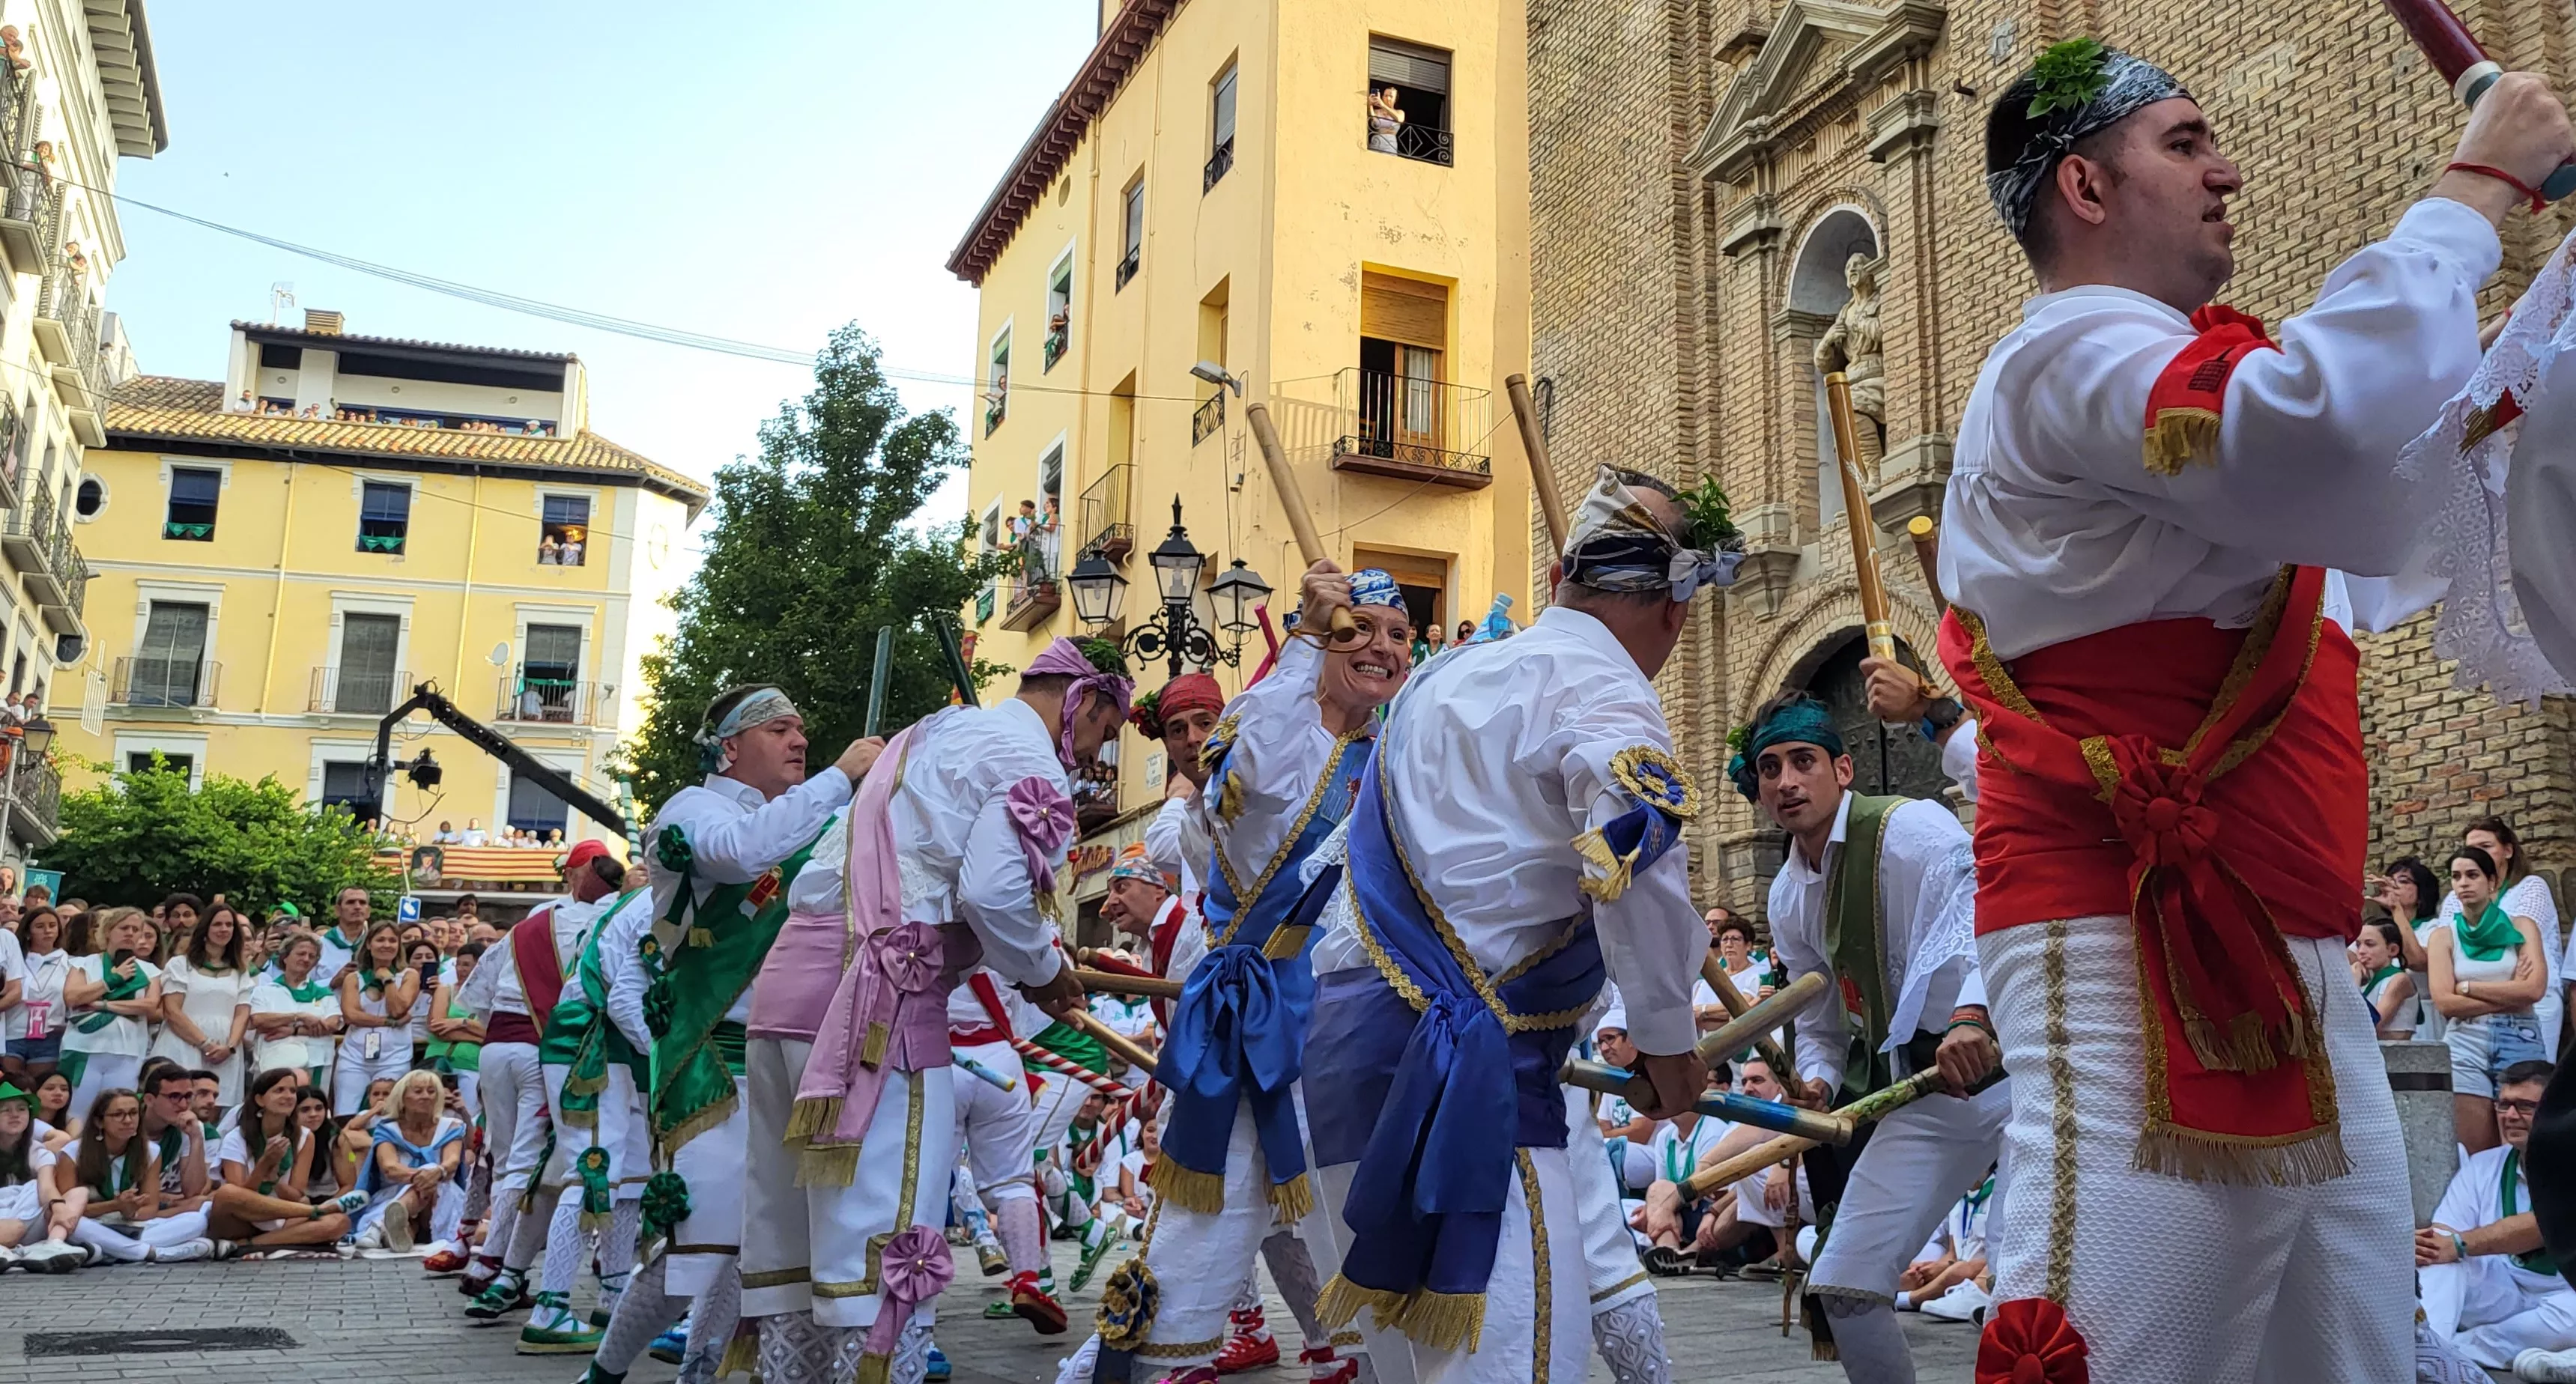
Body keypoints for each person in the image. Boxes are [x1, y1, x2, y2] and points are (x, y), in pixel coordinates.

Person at [1937, 40, 2574, 1382]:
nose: (2226, 170)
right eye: (2182, 143)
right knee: (2105, 1351)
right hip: (2124, 942)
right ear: (2084, 188)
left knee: (2337, 1348)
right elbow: (2314, 435)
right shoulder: (2072, 348)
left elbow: (2375, 511)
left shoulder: (2159, 371)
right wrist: (2468, 190)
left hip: (2277, 948)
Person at [1301, 476, 1737, 1384]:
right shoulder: (1601, 685)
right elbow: (1636, 861)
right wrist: (1666, 1043)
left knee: (1415, 1369)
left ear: (1555, 575)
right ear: (1677, 602)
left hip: (1346, 1064)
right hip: (1473, 1083)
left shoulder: (1439, 678)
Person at [733, 647, 1104, 1384]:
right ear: (1081, 702)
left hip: (785, 997)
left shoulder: (930, 733)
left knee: (795, 1256)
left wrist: (1030, 967)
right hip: (878, 1011)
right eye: (1103, 729)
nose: (1096, 750)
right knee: (882, 1254)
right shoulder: (1029, 762)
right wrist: (1044, 969)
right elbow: (995, 896)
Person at [1088, 564, 1410, 1384]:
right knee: (1203, 1234)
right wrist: (1304, 637)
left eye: (1398, 634)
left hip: (1365, 1036)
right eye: (1357, 630)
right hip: (1264, 1027)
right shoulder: (1272, 738)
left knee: (1374, 1242)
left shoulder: (1391, 750)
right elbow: (1259, 767)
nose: (1379, 647)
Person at [591, 682, 879, 1384]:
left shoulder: (805, 821)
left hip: (794, 1051)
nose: (799, 740)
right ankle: (602, 1374)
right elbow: (745, 854)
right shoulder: (689, 812)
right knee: (709, 1234)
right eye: (780, 729)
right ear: (728, 746)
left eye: (801, 729)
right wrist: (842, 778)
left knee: (766, 1238)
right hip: (708, 1050)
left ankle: (702, 1368)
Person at [1732, 689, 2004, 1379]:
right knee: (1846, 1286)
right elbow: (1822, 1022)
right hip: (1923, 1091)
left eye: (1802, 761)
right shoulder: (1787, 895)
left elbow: (1990, 918)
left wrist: (1972, 1016)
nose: (1786, 782)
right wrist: (1818, 1081)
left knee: (2029, 1285)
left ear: (1843, 770)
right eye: (1769, 769)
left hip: (2017, 1071)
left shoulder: (1911, 830)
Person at [453, 858, 619, 1315]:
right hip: (544, 1051)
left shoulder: (533, 921)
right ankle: (495, 1266)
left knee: (505, 1160)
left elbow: (478, 993)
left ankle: (496, 1266)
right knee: (535, 1162)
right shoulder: (608, 921)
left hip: (494, 1047)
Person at [517, 845, 653, 1355]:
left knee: (631, 1173)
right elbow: (621, 999)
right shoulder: (649, 909)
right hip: (591, 1045)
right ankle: (550, 1307)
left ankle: (614, 1293)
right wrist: (665, 1060)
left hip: (612, 1045)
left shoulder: (630, 905)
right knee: (591, 1168)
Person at [2419, 1062, 2576, 1380]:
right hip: (2500, 1289)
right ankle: (2437, 1351)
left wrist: (2462, 1244)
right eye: (2504, 1104)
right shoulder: (2483, 1165)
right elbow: (2445, 1232)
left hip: (2565, 1296)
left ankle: (2444, 1355)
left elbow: (2540, 1226)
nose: (2510, 1116)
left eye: (2526, 1107)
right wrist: (2443, 1244)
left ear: (2555, 1113)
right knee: (2434, 1251)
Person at [2433, 846, 2551, 1154]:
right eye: (2456, 876)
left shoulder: (2522, 926)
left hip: (2519, 1035)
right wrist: (2511, 989)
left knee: (2527, 1146)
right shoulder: (2442, 936)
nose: (2463, 883)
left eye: (2472, 875)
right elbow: (2445, 1003)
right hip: (2464, 1042)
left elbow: (2535, 990)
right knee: (2475, 1152)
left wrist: (2466, 987)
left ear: (2492, 882)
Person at [207, 1066, 366, 1253]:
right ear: (260, 1100)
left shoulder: (305, 1137)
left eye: (292, 1091)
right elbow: (241, 1198)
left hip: (284, 1216)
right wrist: (263, 1167)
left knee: (340, 1223)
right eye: (279, 1090)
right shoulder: (236, 1138)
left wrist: (275, 1180)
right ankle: (316, 1213)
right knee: (227, 1193)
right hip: (242, 1219)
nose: (289, 1096)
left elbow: (296, 1195)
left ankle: (246, 1245)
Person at [62, 1087, 216, 1263]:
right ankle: (151, 1253)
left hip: (132, 1225)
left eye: (133, 1113)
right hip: (94, 1223)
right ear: (99, 1122)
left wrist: (131, 1212)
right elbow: (66, 1211)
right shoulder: (73, 1153)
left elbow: (151, 1207)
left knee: (195, 1220)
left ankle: (110, 1251)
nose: (128, 1121)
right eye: (118, 1115)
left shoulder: (150, 1151)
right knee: (73, 1226)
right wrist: (115, 1206)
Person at [60, 908, 163, 1117]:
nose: (130, 933)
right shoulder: (83, 964)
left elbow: (150, 1006)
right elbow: (72, 997)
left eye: (136, 929)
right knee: (77, 1115)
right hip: (84, 1049)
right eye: (124, 928)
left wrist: (102, 1004)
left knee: (117, 1114)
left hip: (128, 1052)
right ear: (108, 932)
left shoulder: (149, 970)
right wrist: (112, 980)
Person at [354, 1069, 467, 1257]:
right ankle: (397, 1234)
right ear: (402, 1097)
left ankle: (380, 1226)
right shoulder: (388, 1129)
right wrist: (420, 1176)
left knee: (431, 1170)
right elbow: (390, 1168)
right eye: (418, 1091)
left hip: (443, 1195)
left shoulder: (451, 1126)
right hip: (395, 1193)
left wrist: (435, 1172)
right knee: (408, 1220)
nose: (426, 1096)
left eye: (431, 1091)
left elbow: (452, 1161)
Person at [151, 902, 256, 1104]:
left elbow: (242, 1013)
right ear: (205, 929)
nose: (224, 929)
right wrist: (205, 1043)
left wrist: (230, 1047)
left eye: (229, 925)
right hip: (184, 1044)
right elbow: (172, 1010)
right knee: (179, 1102)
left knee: (217, 1107)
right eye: (217, 924)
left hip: (225, 1051)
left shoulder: (240, 971)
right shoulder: (181, 965)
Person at [333, 922, 420, 1114]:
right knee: (346, 1113)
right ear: (369, 944)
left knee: (390, 1114)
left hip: (394, 1058)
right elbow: (351, 1015)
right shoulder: (354, 978)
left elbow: (397, 1009)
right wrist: (389, 1023)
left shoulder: (409, 975)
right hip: (354, 1058)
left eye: (392, 940)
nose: (386, 945)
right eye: (380, 940)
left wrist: (388, 979)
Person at [0, 1078, 83, 1271]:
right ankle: (18, 1251)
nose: (15, 1115)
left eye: (21, 1109)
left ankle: (52, 1245)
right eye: (6, 1110)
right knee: (29, 1191)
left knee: (77, 1194)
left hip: (24, 1220)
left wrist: (58, 1207)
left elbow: (47, 1187)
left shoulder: (37, 1151)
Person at [247, 932, 341, 1089]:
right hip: (274, 1062)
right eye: (301, 953)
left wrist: (293, 1031)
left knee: (312, 1110)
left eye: (312, 956)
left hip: (316, 1061)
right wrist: (300, 1017)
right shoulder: (265, 991)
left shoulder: (324, 994)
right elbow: (259, 1020)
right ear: (285, 957)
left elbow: (331, 1024)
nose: (306, 959)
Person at [4, 905, 67, 1085]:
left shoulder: (70, 963)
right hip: (12, 1032)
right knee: (9, 1088)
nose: (48, 931)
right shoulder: (13, 960)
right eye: (40, 926)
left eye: (52, 925)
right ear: (28, 931)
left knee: (40, 1089)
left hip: (48, 1035)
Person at [425, 939, 485, 1115]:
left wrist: (460, 1023)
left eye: (467, 965)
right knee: (433, 1115)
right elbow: (437, 1027)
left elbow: (493, 1035)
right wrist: (479, 1037)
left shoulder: (491, 997)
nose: (460, 970)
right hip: (438, 1063)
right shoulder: (445, 990)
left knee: (467, 1116)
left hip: (472, 1066)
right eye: (458, 964)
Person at [2354, 917, 2419, 1039]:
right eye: (2358, 945)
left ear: (2392, 950)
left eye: (2370, 944)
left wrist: (2353, 986)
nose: (2361, 951)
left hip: (2398, 1054)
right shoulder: (2366, 979)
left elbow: (2372, 1024)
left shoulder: (2399, 980)